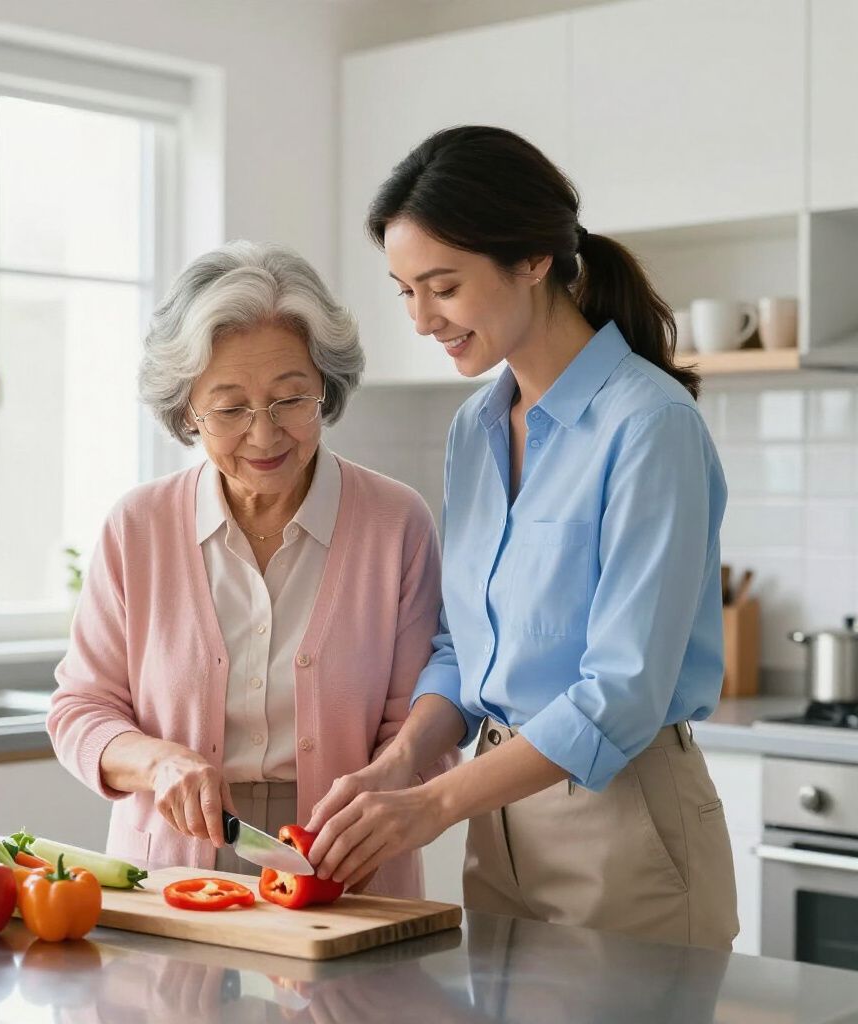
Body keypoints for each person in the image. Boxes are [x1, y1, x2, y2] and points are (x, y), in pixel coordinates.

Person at [306, 126, 738, 949]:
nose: (423, 317)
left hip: (626, 826)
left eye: (443, 286)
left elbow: (621, 693)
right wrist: (399, 765)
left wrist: (433, 801)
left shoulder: (649, 427)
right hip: (494, 825)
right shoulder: (474, 428)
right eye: (404, 290)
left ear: (533, 260)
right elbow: (465, 647)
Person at [48, 240, 454, 897]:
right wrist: (158, 763)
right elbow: (79, 710)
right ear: (187, 412)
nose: (265, 436)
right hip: (171, 869)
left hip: (346, 870)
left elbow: (422, 732)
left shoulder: (396, 524)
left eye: (292, 399)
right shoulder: (138, 527)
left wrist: (379, 812)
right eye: (231, 408)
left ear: (326, 386)